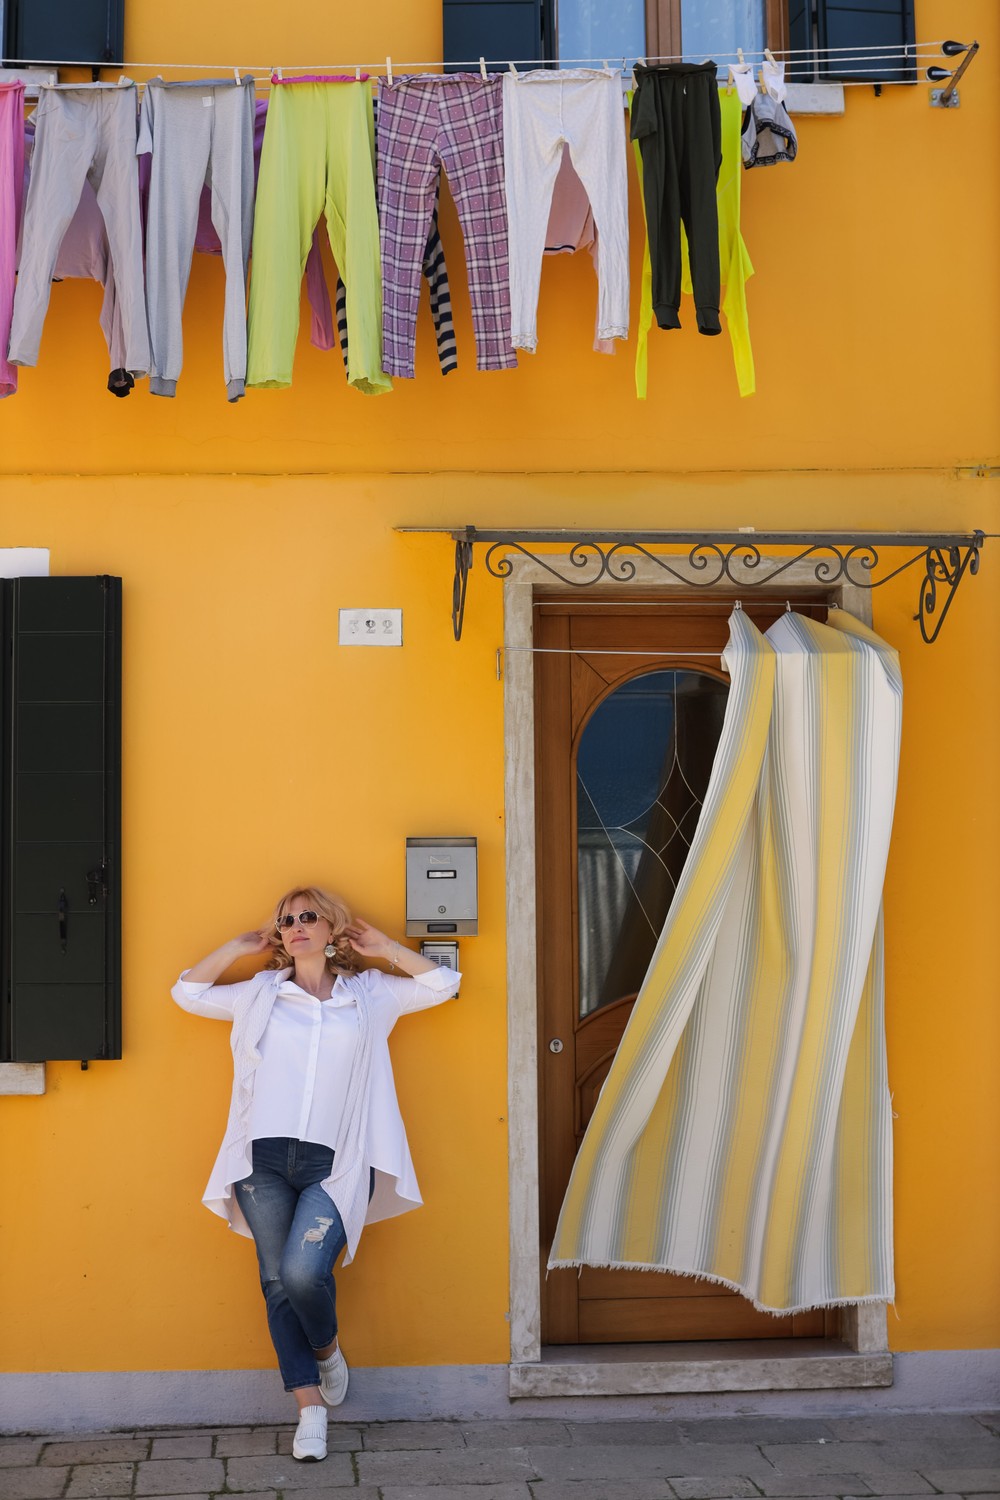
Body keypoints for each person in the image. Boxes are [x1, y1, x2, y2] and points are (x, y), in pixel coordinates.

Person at [171, 884, 461, 1462]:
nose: (297, 926)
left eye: (309, 917)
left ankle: (326, 1347)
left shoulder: (369, 994)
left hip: (339, 1159)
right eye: (287, 921)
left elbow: (443, 984)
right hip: (264, 1160)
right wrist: (236, 946)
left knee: (304, 1275)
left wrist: (384, 947)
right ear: (278, 935)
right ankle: (309, 1409)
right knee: (277, 1280)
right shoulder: (260, 994)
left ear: (333, 928)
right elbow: (187, 992)